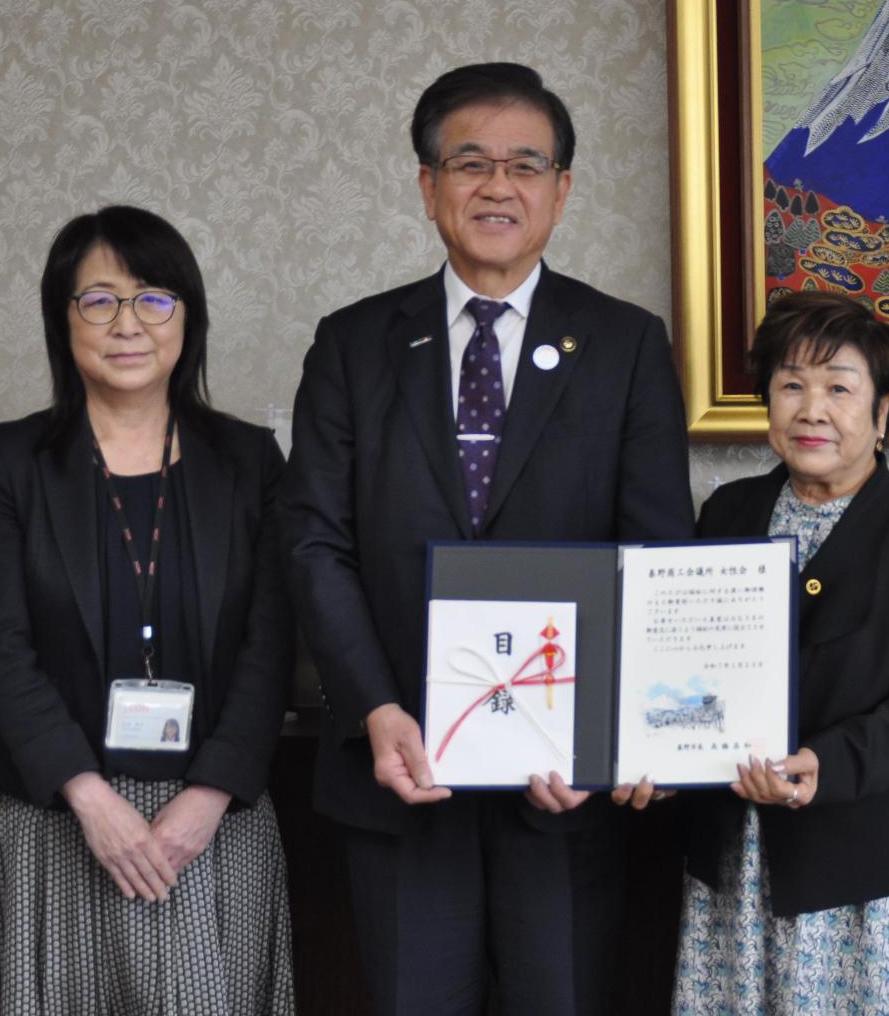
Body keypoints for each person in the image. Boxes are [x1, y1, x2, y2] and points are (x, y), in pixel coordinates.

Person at [280, 61, 694, 1015]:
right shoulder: (353, 344)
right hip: (401, 770)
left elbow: (655, 556)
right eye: (470, 163)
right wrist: (377, 708)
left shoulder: (625, 344)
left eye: (525, 164)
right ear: (428, 186)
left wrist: (605, 741)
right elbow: (313, 543)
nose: (497, 186)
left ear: (562, 189)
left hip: (564, 791)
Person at [0, 205, 295, 1015]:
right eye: (99, 300)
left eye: (153, 298)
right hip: (61, 820)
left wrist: (208, 797)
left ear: (188, 317)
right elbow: (3, 648)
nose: (127, 324)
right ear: (62, 318)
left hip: (212, 825)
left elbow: (274, 643)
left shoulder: (249, 461)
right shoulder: (9, 461)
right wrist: (90, 798)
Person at [657, 291, 889, 1014]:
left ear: (882, 411)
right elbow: (680, 664)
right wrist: (653, 750)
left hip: (876, 877)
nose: (812, 410)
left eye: (839, 388)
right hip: (741, 857)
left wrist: (827, 764)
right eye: (791, 385)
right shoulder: (727, 514)